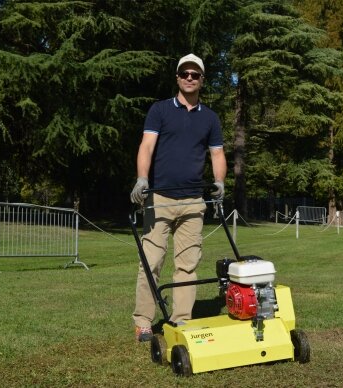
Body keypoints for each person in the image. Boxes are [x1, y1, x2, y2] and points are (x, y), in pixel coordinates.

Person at [130, 53, 227, 342]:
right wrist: (142, 179)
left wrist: (220, 183)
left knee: (188, 264)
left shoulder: (210, 118)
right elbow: (147, 146)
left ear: (201, 80)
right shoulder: (160, 110)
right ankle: (143, 322)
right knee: (152, 260)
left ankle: (181, 320)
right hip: (159, 198)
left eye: (194, 74)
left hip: (193, 202)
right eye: (184, 73)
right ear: (177, 77)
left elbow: (217, 153)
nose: (189, 78)